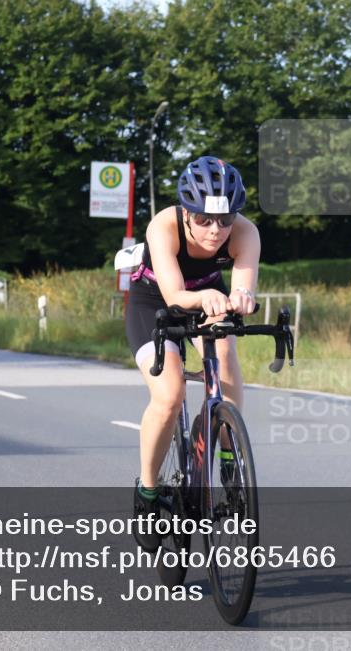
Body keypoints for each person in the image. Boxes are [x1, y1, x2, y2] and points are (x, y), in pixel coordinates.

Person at [125, 155, 260, 550]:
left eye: (225, 219)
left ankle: (227, 454)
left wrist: (243, 297)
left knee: (227, 364)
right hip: (155, 301)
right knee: (170, 395)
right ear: (186, 212)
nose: (215, 230)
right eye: (203, 219)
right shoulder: (162, 225)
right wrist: (208, 298)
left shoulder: (246, 233)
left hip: (209, 295)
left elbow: (244, 286)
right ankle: (148, 491)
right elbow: (175, 296)